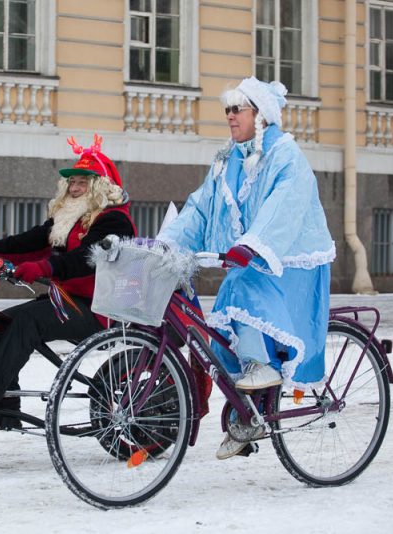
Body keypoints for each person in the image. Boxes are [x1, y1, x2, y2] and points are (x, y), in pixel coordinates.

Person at [157, 77, 335, 459]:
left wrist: (254, 245)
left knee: (238, 288)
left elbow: (283, 207)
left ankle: (262, 368)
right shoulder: (228, 160)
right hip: (252, 260)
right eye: (227, 109)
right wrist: (169, 244)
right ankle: (249, 412)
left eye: (238, 109)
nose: (230, 116)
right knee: (217, 335)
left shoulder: (286, 155)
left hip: (288, 259)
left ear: (261, 115)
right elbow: (201, 208)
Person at [0, 135, 137, 422]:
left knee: (28, 320)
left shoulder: (114, 221)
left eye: (82, 182)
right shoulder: (70, 219)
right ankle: (2, 410)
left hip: (99, 309)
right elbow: (33, 240)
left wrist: (44, 268)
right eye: (71, 182)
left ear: (100, 186)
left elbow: (86, 259)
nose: (73, 188)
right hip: (68, 302)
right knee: (0, 330)